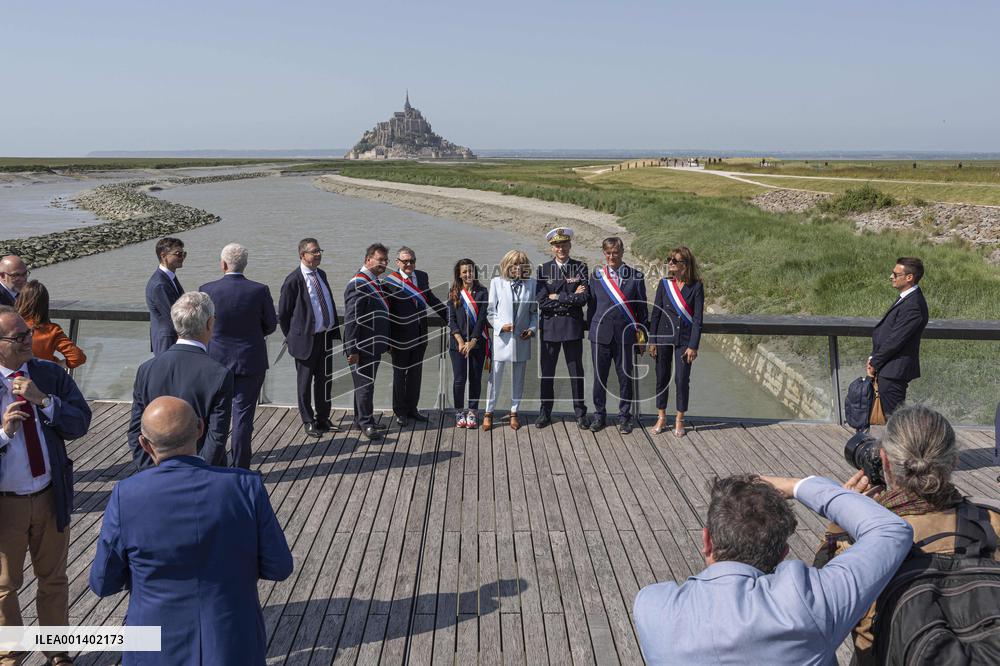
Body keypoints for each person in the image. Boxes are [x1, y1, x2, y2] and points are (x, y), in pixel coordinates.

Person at [90, 396, 293, 665]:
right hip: (232, 642)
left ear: (144, 444)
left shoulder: (126, 495)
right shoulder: (246, 487)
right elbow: (279, 567)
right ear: (200, 429)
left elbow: (103, 582)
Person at [633, 473, 914, 665]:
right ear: (783, 554)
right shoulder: (808, 604)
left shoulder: (652, 607)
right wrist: (797, 486)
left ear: (707, 540)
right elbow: (890, 530)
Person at [815, 405, 1000, 665]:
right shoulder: (991, 522)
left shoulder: (858, 539)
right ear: (954, 461)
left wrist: (843, 516)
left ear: (885, 460)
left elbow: (818, 608)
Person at [0, 306, 91, 666]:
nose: (29, 341)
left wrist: (45, 401)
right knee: (4, 585)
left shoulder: (49, 374)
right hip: (6, 503)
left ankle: (57, 652)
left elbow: (80, 422)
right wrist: (3, 434)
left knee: (53, 579)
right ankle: (10, 653)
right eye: (19, 337)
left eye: (28, 333)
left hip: (51, 495)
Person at [128, 292, 233, 469]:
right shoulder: (219, 374)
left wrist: (152, 470)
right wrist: (198, 472)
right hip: (203, 474)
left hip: (157, 473)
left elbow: (136, 431)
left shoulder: (146, 369)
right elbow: (216, 437)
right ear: (210, 323)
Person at [200, 243, 277, 468]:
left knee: (215, 415)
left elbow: (201, 325)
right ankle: (241, 467)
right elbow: (271, 324)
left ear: (223, 264)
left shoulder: (207, 289)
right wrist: (253, 334)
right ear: (245, 264)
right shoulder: (259, 290)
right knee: (243, 417)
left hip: (216, 361)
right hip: (250, 359)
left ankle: (214, 464)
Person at [278, 238, 342, 438]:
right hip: (305, 341)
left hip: (325, 337)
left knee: (325, 381)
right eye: (314, 251)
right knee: (304, 384)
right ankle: (308, 420)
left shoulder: (321, 274)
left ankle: (323, 418)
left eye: (319, 250)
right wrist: (293, 336)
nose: (318, 254)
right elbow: (284, 314)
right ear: (302, 255)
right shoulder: (293, 280)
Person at [587, 236, 648, 434]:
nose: (612, 256)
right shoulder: (596, 276)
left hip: (626, 336)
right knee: (599, 379)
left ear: (622, 252)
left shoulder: (636, 276)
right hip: (600, 336)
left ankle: (624, 417)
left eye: (615, 253)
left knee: (625, 379)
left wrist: (642, 338)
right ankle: (599, 415)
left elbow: (642, 311)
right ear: (604, 253)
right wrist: (593, 330)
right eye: (608, 253)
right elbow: (592, 307)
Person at [383, 246, 448, 427]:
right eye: (405, 261)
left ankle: (412, 409)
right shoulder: (388, 282)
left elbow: (431, 299)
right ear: (397, 262)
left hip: (420, 335)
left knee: (415, 374)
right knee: (399, 376)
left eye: (412, 261)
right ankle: (400, 412)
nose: (409, 264)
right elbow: (386, 313)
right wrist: (388, 340)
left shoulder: (422, 276)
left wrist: (452, 318)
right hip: (399, 339)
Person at [535, 227, 590, 430]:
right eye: (557, 245)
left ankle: (580, 413)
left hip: (572, 326)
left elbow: (584, 298)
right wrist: (570, 297)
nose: (561, 249)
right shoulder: (543, 269)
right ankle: (545, 412)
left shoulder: (580, 267)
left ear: (570, 245)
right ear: (552, 248)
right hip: (550, 327)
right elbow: (541, 301)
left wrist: (557, 296)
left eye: (564, 244)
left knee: (576, 372)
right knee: (547, 372)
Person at [648, 246, 704, 437]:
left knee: (681, 380)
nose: (670, 263)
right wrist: (652, 340)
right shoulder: (664, 284)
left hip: (684, 340)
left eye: (675, 260)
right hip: (663, 336)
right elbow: (656, 314)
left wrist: (693, 345)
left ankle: (679, 419)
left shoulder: (696, 286)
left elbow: (697, 319)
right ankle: (661, 417)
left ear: (685, 264)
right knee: (662, 378)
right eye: (669, 259)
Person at [483, 250, 537, 432]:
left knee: (519, 378)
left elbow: (534, 312)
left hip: (522, 338)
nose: (517, 267)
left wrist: (532, 329)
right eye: (514, 264)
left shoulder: (532, 284)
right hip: (502, 338)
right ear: (507, 265)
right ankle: (489, 412)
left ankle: (514, 411)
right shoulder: (496, 283)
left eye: (521, 264)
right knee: (495, 377)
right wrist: (501, 326)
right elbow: (491, 312)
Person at [868, 257, 929, 416]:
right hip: (888, 368)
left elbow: (896, 340)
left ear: (909, 277)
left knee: (895, 420)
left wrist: (874, 362)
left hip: (894, 371)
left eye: (895, 274)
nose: (891, 277)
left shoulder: (913, 305)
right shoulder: (907, 298)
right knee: (893, 419)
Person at [343, 243, 391, 440]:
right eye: (380, 260)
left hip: (373, 344)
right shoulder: (358, 284)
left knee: (365, 384)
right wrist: (352, 349)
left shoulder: (373, 281)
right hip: (362, 346)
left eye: (386, 260)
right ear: (368, 260)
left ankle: (360, 419)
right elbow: (351, 319)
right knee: (365, 385)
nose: (384, 264)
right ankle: (366, 423)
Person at [446, 259, 489, 429]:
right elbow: (451, 319)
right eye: (464, 271)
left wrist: (473, 340)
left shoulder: (483, 292)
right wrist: (460, 341)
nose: (468, 274)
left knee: (475, 379)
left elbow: (482, 318)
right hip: (457, 344)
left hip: (477, 343)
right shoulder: (453, 292)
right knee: (459, 379)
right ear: (459, 274)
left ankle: (472, 411)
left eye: (471, 271)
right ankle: (459, 411)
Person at [15, 280, 87, 369]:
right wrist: (56, 364)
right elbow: (77, 357)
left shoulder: (8, 325)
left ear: (20, 300)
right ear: (45, 304)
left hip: (10, 376)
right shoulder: (52, 331)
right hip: (42, 375)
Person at [145, 237, 186, 355]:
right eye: (178, 254)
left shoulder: (169, 277)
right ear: (163, 256)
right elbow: (172, 315)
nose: (182, 257)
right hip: (167, 342)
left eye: (184, 254)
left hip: (170, 340)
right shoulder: (160, 284)